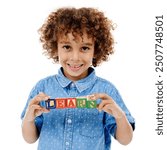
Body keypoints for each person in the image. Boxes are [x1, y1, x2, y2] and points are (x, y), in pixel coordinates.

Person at [21, 7, 135, 150]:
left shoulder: (106, 91)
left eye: (85, 48)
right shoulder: (42, 88)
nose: (75, 58)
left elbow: (126, 140)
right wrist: (29, 118)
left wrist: (119, 115)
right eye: (67, 47)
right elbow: (29, 139)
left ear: (96, 49)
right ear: (56, 48)